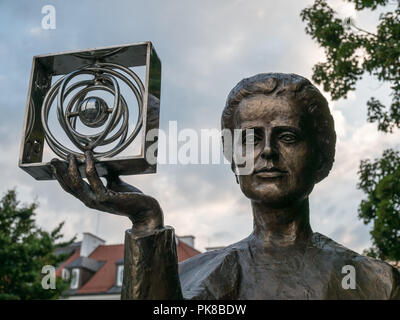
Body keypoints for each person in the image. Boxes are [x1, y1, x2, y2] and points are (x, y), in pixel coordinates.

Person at [51, 73, 400, 299]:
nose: (266, 151)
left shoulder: (377, 284)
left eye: (288, 136)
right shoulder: (190, 276)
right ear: (233, 158)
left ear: (322, 155)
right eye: (249, 138)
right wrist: (146, 224)